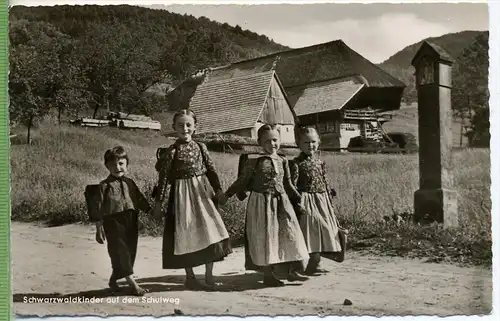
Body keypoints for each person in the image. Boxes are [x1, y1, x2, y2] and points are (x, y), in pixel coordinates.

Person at [219, 124, 309, 287]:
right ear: (260, 142)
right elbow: (242, 181)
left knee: (289, 234)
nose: (272, 144)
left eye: (275, 140)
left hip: (282, 203)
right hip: (262, 204)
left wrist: (299, 199)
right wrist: (227, 195)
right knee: (267, 238)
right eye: (267, 141)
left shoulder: (282, 160)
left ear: (280, 140)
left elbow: (287, 184)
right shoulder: (254, 161)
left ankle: (292, 271)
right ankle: (268, 274)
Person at [152, 109, 232, 290]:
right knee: (185, 234)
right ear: (174, 128)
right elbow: (163, 179)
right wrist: (159, 204)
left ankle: (209, 276)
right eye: (180, 125)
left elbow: (211, 170)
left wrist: (218, 190)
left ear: (195, 127)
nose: (185, 129)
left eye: (188, 125)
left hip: (202, 195)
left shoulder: (201, 147)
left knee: (210, 232)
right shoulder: (172, 151)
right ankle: (190, 277)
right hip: (181, 198)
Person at [95, 146, 152, 296]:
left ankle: (114, 280)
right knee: (120, 252)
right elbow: (98, 208)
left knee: (130, 251)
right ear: (107, 166)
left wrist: (151, 211)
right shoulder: (104, 186)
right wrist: (98, 228)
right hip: (113, 222)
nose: (117, 167)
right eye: (113, 164)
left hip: (131, 220)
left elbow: (140, 199)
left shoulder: (130, 183)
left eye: (121, 163)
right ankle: (133, 285)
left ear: (127, 164)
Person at [289, 126, 343, 275]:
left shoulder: (320, 163)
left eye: (313, 142)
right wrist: (297, 202)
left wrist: (329, 193)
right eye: (306, 142)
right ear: (298, 144)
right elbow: (292, 185)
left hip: (322, 199)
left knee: (325, 230)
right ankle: (305, 264)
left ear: (318, 142)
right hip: (306, 200)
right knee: (311, 231)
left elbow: (325, 180)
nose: (310, 145)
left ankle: (316, 263)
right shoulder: (296, 163)